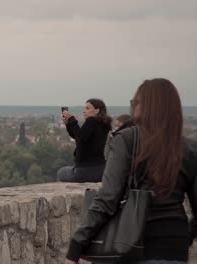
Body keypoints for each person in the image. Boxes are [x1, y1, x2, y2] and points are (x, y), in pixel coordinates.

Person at [65, 78, 197, 264]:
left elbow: (108, 198)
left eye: (135, 103)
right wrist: (184, 237)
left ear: (145, 106)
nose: (133, 108)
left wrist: (76, 246)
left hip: (132, 244)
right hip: (174, 249)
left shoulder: (127, 140)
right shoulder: (189, 149)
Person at [57, 99, 112, 182]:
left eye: (87, 108)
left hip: (84, 171)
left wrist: (71, 119)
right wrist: (68, 124)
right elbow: (79, 137)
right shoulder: (103, 124)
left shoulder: (91, 120)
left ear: (97, 110)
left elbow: (80, 138)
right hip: (101, 170)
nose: (84, 111)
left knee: (61, 172)